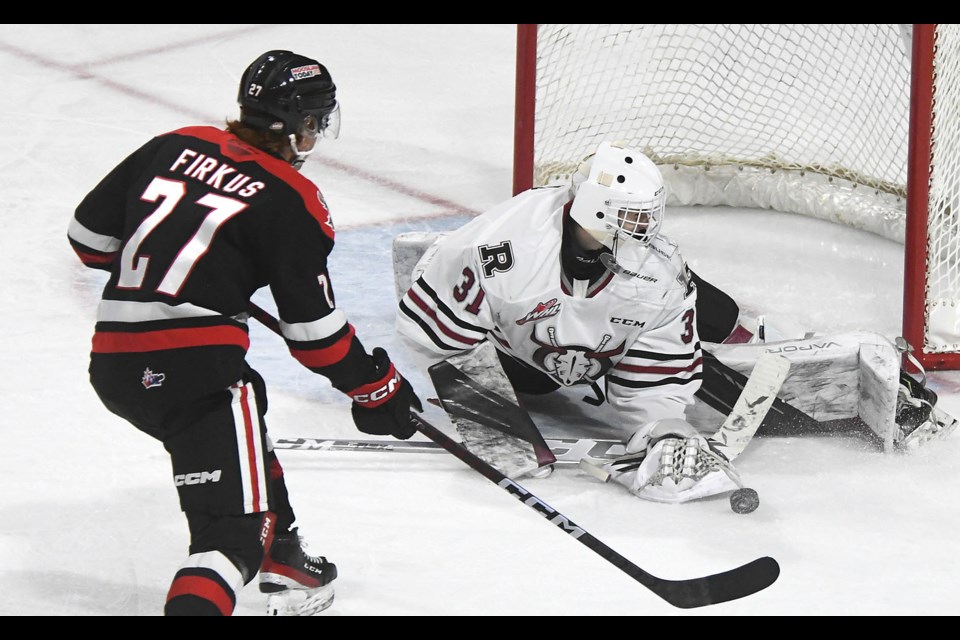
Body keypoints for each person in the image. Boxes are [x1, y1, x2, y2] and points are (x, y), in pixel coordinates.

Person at [67, 50, 422, 616]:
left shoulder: (175, 142)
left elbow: (88, 241)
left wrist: (190, 268)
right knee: (231, 537)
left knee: (244, 419)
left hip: (113, 364)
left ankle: (282, 553)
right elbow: (315, 335)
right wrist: (376, 387)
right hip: (196, 372)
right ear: (303, 123)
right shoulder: (292, 199)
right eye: (316, 122)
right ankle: (257, 545)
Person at [396, 140, 747, 503]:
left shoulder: (658, 272)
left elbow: (655, 378)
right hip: (511, 351)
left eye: (649, 213)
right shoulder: (503, 252)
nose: (647, 225)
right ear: (596, 210)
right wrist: (488, 416)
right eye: (633, 214)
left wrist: (662, 429)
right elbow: (435, 337)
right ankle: (433, 256)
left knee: (680, 289)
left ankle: (740, 333)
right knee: (537, 385)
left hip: (573, 344)